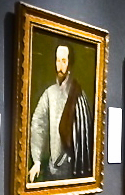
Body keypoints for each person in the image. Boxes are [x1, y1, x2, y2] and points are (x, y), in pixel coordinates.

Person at [28, 44, 93, 182]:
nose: (60, 66)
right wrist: (37, 160)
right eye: (58, 60)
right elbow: (38, 124)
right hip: (52, 167)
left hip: (71, 167)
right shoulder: (49, 93)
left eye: (64, 61)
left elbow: (85, 134)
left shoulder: (79, 95)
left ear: (70, 63)